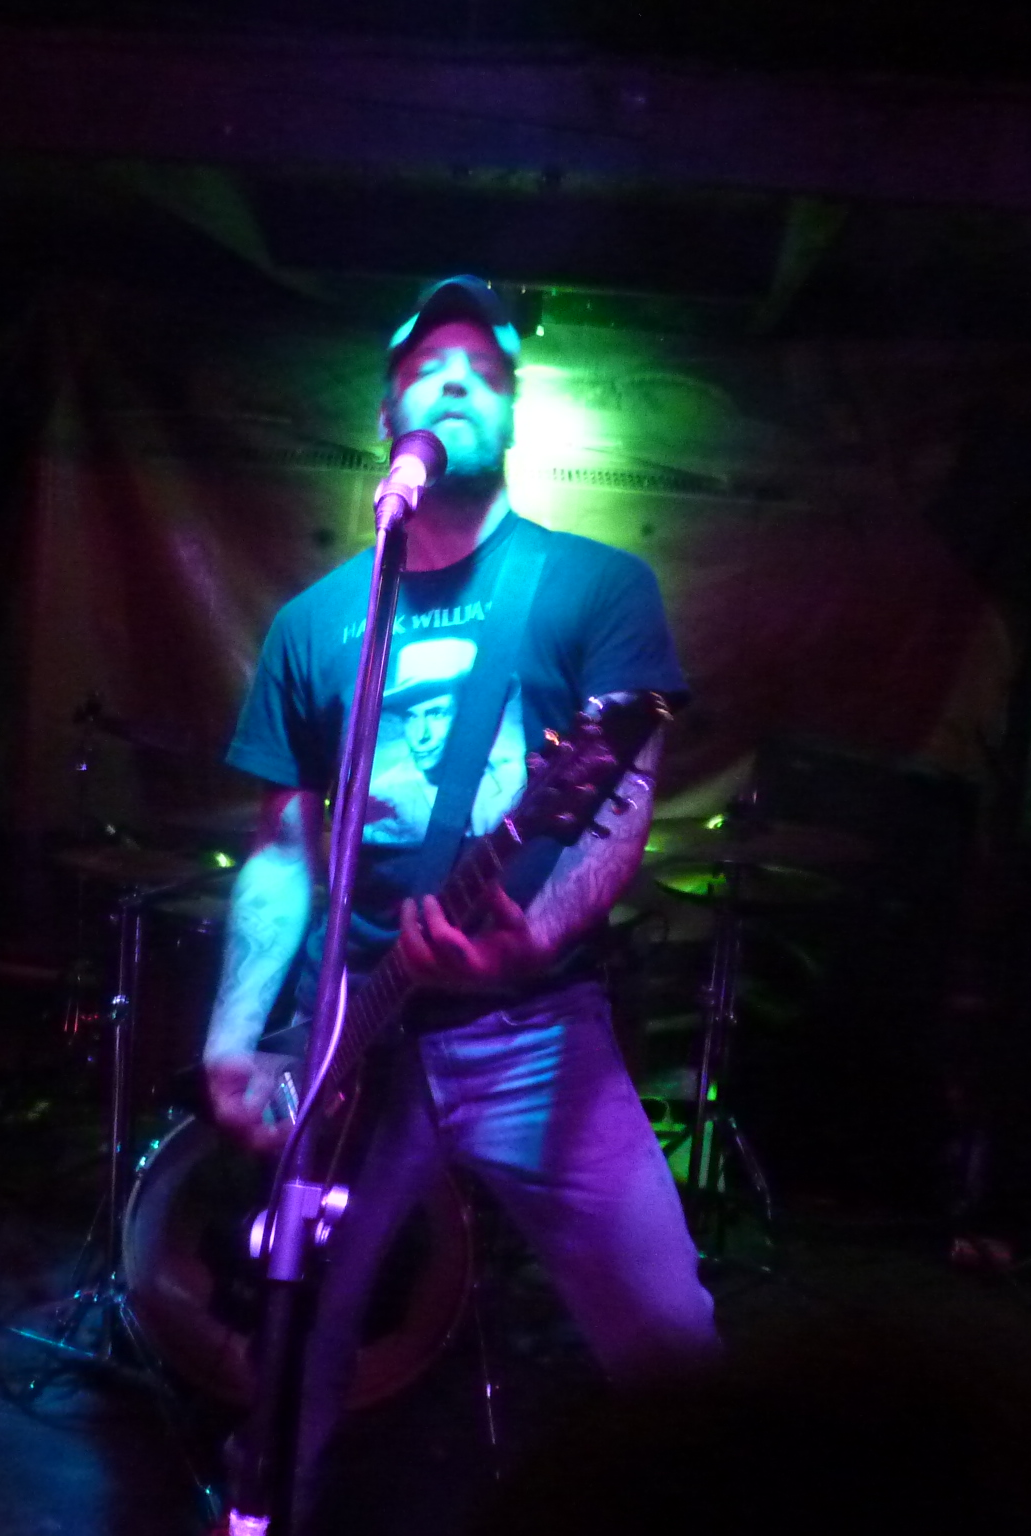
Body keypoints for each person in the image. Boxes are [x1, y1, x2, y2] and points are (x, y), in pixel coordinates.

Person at [203, 275, 719, 1523]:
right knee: (296, 1345)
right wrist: (234, 1035)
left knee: (667, 1339)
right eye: (430, 367)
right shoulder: (316, 624)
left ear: (515, 413)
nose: (455, 384)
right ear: (390, 411)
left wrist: (529, 935)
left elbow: (613, 798)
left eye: (485, 372)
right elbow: (281, 845)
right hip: (354, 1038)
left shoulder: (592, 590)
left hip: (535, 1033)